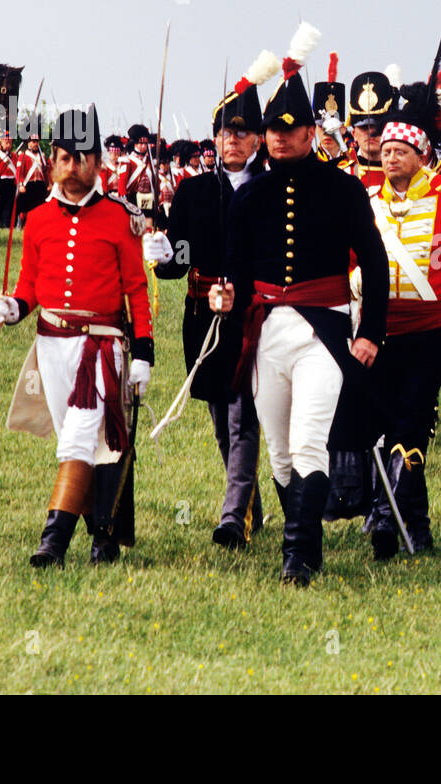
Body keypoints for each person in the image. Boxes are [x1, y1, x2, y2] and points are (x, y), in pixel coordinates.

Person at [214, 28, 389, 586]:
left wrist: (371, 333)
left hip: (325, 331)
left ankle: (299, 556)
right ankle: (303, 541)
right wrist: (228, 296)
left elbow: (376, 262)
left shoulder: (343, 190)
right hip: (267, 332)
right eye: (272, 130)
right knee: (280, 456)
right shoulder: (249, 197)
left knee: (310, 441)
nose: (280, 139)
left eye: (291, 130)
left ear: (313, 132)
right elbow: (239, 271)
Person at [0, 105, 154, 567]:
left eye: (81, 157)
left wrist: (143, 352)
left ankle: (53, 542)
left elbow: (136, 292)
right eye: (63, 156)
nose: (71, 166)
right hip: (51, 346)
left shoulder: (121, 219)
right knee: (88, 445)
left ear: (97, 162)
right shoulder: (38, 220)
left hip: (101, 347)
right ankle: (103, 536)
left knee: (78, 439)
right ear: (53, 160)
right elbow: (30, 286)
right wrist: (13, 308)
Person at [148, 59, 273, 549]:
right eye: (225, 132)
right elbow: (179, 261)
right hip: (201, 320)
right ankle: (250, 508)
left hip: (250, 318)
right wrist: (162, 255)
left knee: (243, 415)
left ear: (258, 140)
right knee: (222, 421)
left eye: (243, 134)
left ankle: (231, 517)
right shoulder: (194, 190)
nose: (233, 142)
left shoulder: (268, 191)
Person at [363, 107, 441, 558]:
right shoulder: (368, 205)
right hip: (377, 335)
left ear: (421, 156)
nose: (390, 157)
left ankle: (382, 515)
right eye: (386, 150)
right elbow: (351, 260)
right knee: (386, 428)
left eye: (401, 151)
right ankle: (417, 526)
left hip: (430, 334)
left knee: (411, 425)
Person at [344, 71, 396, 188]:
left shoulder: (406, 175)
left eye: (377, 126)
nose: (371, 132)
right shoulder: (340, 176)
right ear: (354, 133)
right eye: (363, 127)